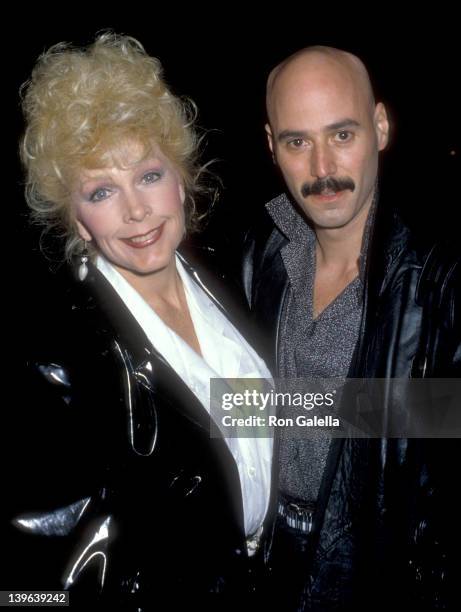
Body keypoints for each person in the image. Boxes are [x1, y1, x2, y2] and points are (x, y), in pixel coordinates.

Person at [3, 33, 273, 610]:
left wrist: (428, 410)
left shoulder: (236, 280)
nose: (136, 211)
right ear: (76, 220)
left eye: (148, 175)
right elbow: (30, 586)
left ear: (181, 178)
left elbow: (259, 410)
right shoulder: (59, 362)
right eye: (102, 190)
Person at [242, 46, 460, 610]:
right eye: (297, 142)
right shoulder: (261, 253)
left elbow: (449, 416)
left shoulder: (437, 276)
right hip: (265, 560)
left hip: (377, 571)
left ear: (380, 127)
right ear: (272, 146)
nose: (322, 169)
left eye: (342, 135)